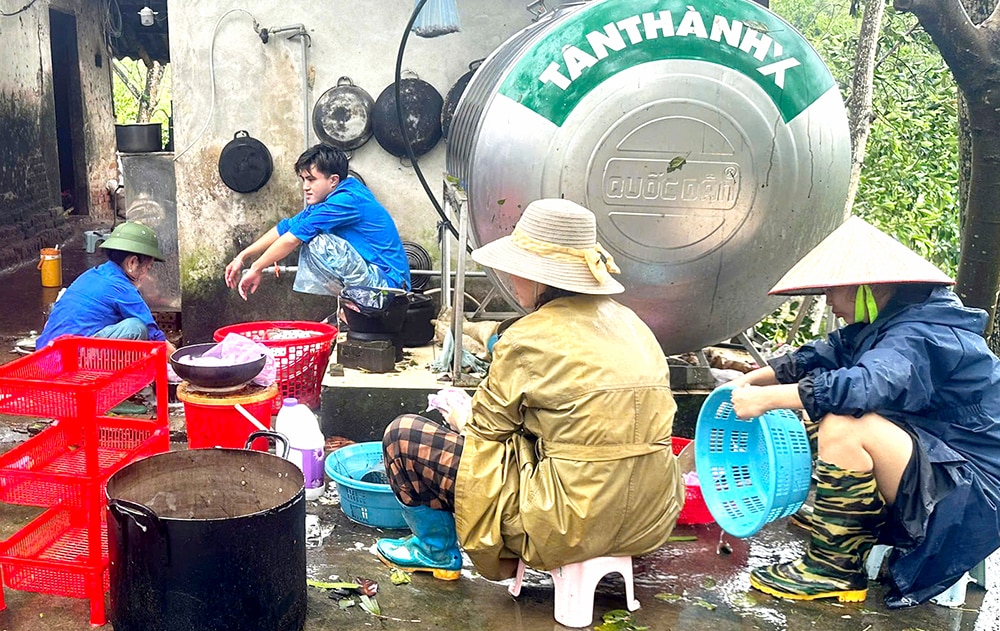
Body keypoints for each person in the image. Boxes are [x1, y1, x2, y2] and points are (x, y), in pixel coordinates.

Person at [375, 198, 683, 581]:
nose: (509, 278)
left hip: (568, 521)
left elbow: (485, 433)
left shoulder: (529, 337)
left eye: (516, 269)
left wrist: (459, 416)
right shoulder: (633, 324)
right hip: (651, 515)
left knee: (404, 436)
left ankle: (434, 550)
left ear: (540, 277)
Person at [728, 216, 1000, 608]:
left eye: (833, 292)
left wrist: (766, 400)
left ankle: (832, 569)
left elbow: (863, 387)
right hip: (943, 461)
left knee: (844, 422)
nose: (830, 305)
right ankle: (841, 521)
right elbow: (825, 353)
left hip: (972, 493)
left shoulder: (919, 332)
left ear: (868, 287)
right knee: (826, 405)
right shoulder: (897, 317)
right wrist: (753, 379)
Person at [224, 144, 410, 300]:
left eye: (311, 180)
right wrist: (242, 257)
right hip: (379, 280)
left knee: (318, 242)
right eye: (303, 179)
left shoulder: (346, 201)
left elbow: (291, 239)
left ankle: (360, 305)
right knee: (306, 232)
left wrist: (257, 268)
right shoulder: (333, 198)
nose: (305, 187)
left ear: (333, 180)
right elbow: (286, 227)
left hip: (390, 288)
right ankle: (351, 307)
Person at [37, 221, 176, 355]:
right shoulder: (121, 288)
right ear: (132, 262)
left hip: (46, 353)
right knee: (136, 327)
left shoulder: (93, 274)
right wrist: (180, 362)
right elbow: (155, 336)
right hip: (66, 360)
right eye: (148, 267)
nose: (146, 273)